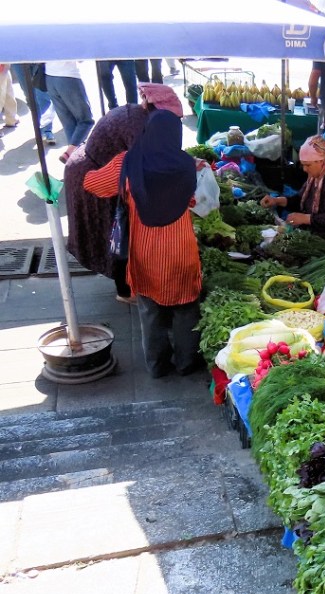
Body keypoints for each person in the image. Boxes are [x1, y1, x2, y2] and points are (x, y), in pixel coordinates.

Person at [84, 109, 203, 378]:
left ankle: (157, 367)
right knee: (186, 309)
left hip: (146, 251)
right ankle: (186, 364)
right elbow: (193, 201)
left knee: (150, 311)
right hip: (181, 251)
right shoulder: (186, 164)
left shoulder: (126, 163)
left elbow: (92, 184)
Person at [66, 83, 184, 302]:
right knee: (118, 234)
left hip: (102, 170)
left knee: (120, 231)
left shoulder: (139, 114)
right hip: (94, 175)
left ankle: (126, 285)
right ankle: (125, 292)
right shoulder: (139, 128)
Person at [259, 135, 325, 253]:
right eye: (303, 164)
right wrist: (277, 201)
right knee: (296, 236)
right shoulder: (315, 178)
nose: (305, 169)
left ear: (321, 161)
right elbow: (300, 200)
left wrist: (305, 218)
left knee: (300, 242)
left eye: (308, 165)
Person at [44, 60, 94, 162]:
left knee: (69, 123)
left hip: (50, 77)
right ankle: (70, 153)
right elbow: (80, 57)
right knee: (86, 121)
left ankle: (73, 162)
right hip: (68, 76)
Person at [13, 63, 56, 145]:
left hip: (38, 59)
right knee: (30, 97)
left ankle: (47, 130)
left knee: (43, 95)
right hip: (19, 61)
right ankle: (38, 127)